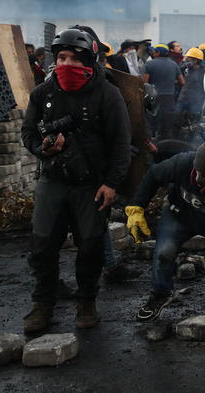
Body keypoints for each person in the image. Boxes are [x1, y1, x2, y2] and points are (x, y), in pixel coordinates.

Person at [20, 28, 131, 334]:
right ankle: (43, 304)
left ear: (89, 60)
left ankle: (87, 302)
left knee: (91, 248)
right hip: (54, 180)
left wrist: (112, 183)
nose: (66, 64)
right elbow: (28, 133)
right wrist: (41, 148)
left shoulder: (108, 93)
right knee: (42, 245)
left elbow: (122, 143)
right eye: (61, 57)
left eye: (73, 58)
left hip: (91, 184)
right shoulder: (44, 92)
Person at [126, 140, 205, 324]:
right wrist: (136, 206)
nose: (198, 178)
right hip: (179, 216)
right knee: (164, 252)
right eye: (198, 171)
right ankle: (160, 294)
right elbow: (154, 175)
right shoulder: (183, 162)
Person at [143, 43, 184, 140]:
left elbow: (144, 83)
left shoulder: (149, 64)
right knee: (167, 124)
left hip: (154, 99)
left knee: (153, 123)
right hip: (169, 98)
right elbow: (182, 82)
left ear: (157, 52)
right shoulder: (174, 64)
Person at [175, 46, 205, 127]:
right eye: (188, 58)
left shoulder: (203, 71)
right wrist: (185, 65)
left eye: (190, 58)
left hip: (195, 100)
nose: (187, 60)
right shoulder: (186, 68)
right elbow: (177, 71)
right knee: (176, 117)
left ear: (196, 60)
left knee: (194, 121)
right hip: (183, 98)